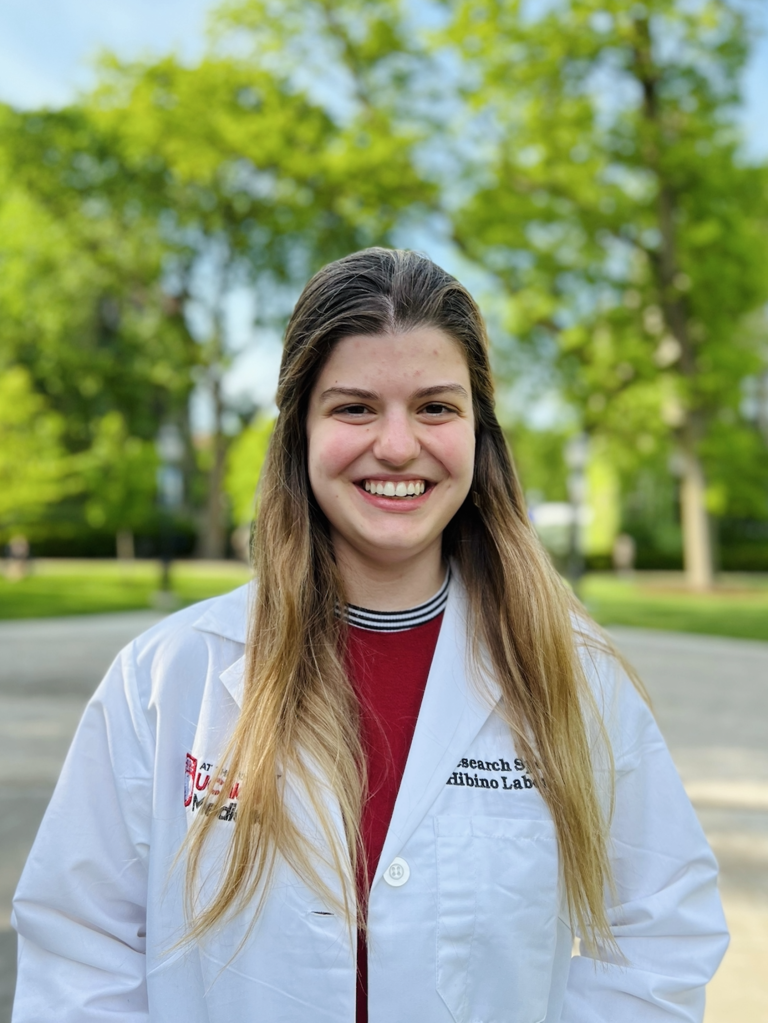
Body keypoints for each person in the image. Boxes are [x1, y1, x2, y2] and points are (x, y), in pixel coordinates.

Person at [12, 248, 727, 1022]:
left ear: (479, 434)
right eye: (354, 408)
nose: (396, 444)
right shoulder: (165, 678)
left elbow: (661, 936)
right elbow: (81, 952)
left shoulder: (573, 677)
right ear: (300, 432)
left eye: (435, 408)